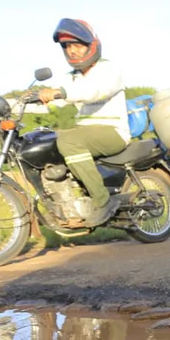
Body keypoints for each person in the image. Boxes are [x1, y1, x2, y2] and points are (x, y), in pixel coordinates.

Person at [38, 19, 129, 227]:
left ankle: (102, 201)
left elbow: (94, 91)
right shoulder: (72, 78)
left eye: (77, 45)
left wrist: (59, 93)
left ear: (91, 45)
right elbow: (49, 104)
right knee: (45, 142)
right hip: (87, 134)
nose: (72, 51)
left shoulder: (108, 70)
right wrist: (10, 106)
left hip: (113, 132)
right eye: (67, 46)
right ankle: (66, 206)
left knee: (68, 140)